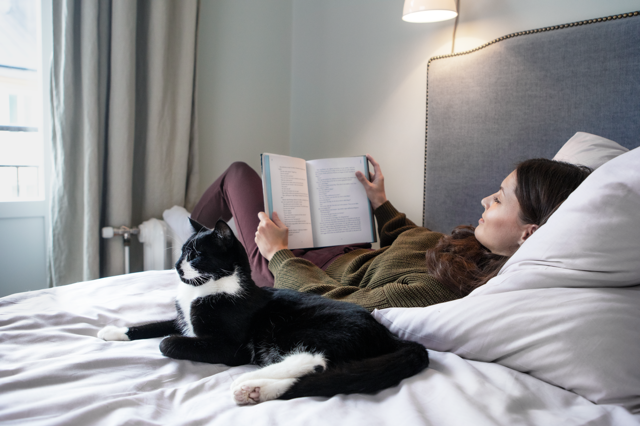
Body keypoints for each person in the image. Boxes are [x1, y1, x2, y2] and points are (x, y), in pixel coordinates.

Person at [190, 155, 591, 312]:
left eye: (500, 200)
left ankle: (195, 233)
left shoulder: (448, 288)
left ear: (528, 234)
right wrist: (381, 203)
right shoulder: (474, 247)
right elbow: (416, 241)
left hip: (298, 273)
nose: (486, 199)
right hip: (346, 252)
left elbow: (342, 303)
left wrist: (278, 254)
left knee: (238, 175)